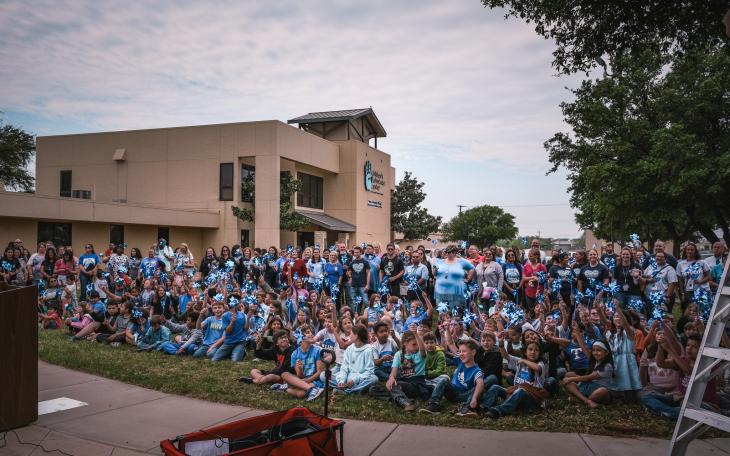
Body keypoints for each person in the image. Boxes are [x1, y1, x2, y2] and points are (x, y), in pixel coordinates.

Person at [483, 340, 549, 419]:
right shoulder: (520, 361)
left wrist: (524, 360)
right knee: (495, 387)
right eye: (530, 349)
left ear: (539, 353)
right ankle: (484, 408)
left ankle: (498, 411)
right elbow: (506, 356)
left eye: (536, 350)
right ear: (525, 352)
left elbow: (537, 368)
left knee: (521, 390)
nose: (533, 352)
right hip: (516, 393)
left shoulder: (540, 364)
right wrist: (501, 343)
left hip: (532, 398)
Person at [421, 338, 487, 416]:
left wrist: (474, 398)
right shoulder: (460, 361)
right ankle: (434, 404)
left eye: (464, 351)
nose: (461, 354)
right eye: (459, 351)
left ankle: (467, 408)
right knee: (444, 380)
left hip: (464, 395)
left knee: (478, 389)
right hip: (452, 392)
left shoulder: (477, 370)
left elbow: (480, 383)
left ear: (473, 352)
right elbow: (451, 343)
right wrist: (447, 330)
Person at [369, 329, 430, 411]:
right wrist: (391, 379)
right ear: (405, 343)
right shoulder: (398, 354)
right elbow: (393, 373)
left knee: (395, 385)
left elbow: (422, 349)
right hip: (403, 385)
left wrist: (416, 334)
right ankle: (401, 399)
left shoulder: (420, 354)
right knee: (373, 389)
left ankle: (405, 403)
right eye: (414, 344)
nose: (417, 347)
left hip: (417, 385)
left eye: (418, 344)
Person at [279, 325, 326, 401]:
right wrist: (300, 369)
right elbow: (300, 375)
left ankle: (289, 386)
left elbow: (319, 372)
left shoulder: (318, 350)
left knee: (301, 393)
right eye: (308, 332)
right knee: (284, 374)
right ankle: (310, 389)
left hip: (315, 381)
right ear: (301, 337)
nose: (312, 334)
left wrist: (306, 381)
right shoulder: (295, 354)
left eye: (311, 332)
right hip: (303, 380)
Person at [562, 340, 614, 408]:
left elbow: (588, 378)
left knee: (602, 391)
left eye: (599, 350)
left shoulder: (607, 366)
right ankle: (587, 400)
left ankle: (582, 400)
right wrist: (570, 379)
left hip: (599, 390)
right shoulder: (595, 362)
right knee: (569, 381)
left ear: (606, 352)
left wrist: (571, 379)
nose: (595, 353)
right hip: (589, 387)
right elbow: (583, 347)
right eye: (594, 350)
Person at [331, 324, 378, 395]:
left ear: (356, 336)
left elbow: (369, 371)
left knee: (374, 379)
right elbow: (344, 367)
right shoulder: (349, 348)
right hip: (347, 377)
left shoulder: (368, 350)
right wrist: (341, 381)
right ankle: (351, 389)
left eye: (351, 333)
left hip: (360, 379)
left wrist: (354, 380)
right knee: (324, 375)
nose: (350, 335)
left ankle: (347, 391)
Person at [433, 245, 475, 309]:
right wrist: (435, 271)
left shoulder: (461, 261)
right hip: (441, 291)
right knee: (442, 312)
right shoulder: (440, 262)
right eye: (447, 252)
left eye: (450, 252)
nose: (448, 254)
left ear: (455, 252)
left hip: (456, 292)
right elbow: (435, 274)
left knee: (456, 312)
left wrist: (468, 278)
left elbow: (472, 268)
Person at [676, 242, 711, 312]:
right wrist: (682, 293)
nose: (690, 251)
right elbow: (680, 280)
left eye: (692, 250)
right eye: (688, 249)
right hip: (688, 291)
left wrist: (700, 281)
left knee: (703, 311)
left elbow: (709, 276)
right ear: (685, 251)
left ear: (695, 251)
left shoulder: (702, 262)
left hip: (702, 290)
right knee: (691, 311)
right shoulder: (680, 264)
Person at [346, 245, 371, 313]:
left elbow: (368, 274)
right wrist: (349, 275)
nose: (356, 253)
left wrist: (367, 285)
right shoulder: (352, 263)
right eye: (355, 252)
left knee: (366, 301)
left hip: (363, 285)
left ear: (361, 252)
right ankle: (356, 315)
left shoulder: (365, 262)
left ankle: (370, 315)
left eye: (358, 252)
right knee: (354, 302)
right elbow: (349, 273)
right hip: (353, 285)